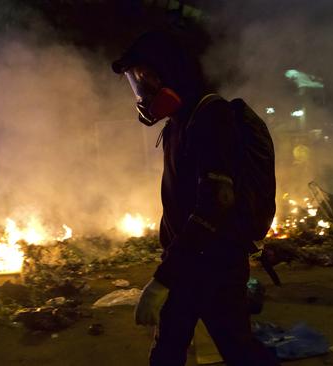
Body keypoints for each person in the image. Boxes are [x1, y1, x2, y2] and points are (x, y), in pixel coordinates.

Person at [112, 31, 279, 366]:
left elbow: (215, 204)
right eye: (136, 82)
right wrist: (170, 266)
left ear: (171, 72)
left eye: (145, 79)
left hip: (215, 269)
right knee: (168, 354)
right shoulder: (178, 122)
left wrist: (163, 280)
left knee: (238, 351)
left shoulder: (210, 116)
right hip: (187, 266)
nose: (141, 93)